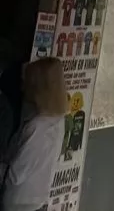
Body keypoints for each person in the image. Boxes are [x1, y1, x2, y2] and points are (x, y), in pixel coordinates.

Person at [0, 58, 68, 211]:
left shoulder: (36, 126)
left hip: (19, 203)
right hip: (37, 201)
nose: (23, 87)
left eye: (27, 81)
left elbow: (15, 176)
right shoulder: (58, 119)